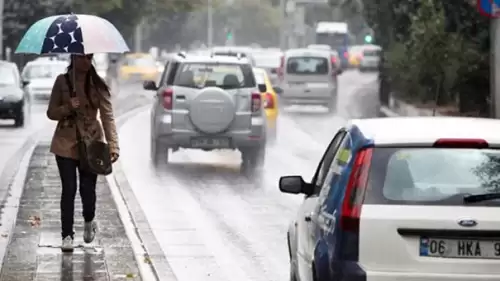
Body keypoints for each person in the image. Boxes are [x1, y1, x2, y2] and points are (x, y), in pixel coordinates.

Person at [46, 53, 120, 252]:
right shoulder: (62, 82)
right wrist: (68, 106)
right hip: (65, 142)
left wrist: (113, 145)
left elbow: (107, 116)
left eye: (89, 57)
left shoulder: (97, 83)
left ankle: (89, 219)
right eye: (81, 58)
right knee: (68, 189)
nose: (85, 62)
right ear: (73, 58)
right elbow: (51, 112)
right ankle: (67, 235)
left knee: (87, 190)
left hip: (91, 143)